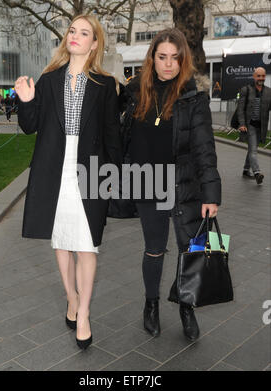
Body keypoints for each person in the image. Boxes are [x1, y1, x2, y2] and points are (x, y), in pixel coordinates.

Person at [14, 14, 122, 350]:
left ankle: (84, 313)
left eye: (84, 32)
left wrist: (114, 178)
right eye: (72, 30)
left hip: (90, 169)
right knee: (62, 239)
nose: (75, 36)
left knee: (87, 243)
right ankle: (71, 296)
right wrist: (27, 100)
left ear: (94, 43)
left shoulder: (105, 86)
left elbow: (112, 137)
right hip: (53, 167)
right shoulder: (48, 80)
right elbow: (31, 126)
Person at [121, 28, 221, 341]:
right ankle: (151, 304)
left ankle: (186, 307)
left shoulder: (193, 97)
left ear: (183, 60)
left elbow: (205, 148)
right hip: (147, 184)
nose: (168, 64)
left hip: (182, 185)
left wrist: (211, 194)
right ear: (152, 57)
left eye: (175, 58)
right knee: (153, 250)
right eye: (162, 57)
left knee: (190, 250)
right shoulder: (135, 91)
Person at [237, 67, 271, 185]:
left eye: (263, 76)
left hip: (260, 126)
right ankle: (257, 173)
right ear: (254, 76)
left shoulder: (268, 91)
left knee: (252, 148)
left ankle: (246, 170)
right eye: (259, 76)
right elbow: (240, 109)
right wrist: (242, 124)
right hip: (249, 124)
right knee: (253, 150)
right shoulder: (246, 90)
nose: (261, 78)